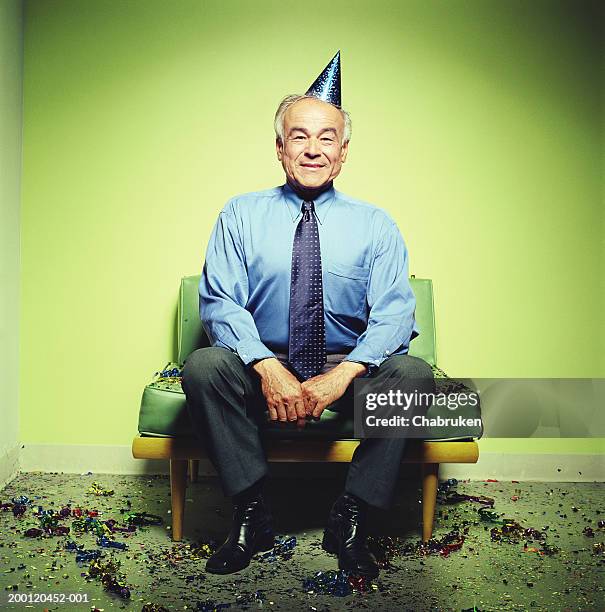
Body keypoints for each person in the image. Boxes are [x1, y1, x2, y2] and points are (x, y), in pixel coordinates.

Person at [181, 51, 435, 577]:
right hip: (260, 365)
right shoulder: (239, 214)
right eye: (300, 136)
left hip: (347, 366)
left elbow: (394, 315)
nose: (313, 149)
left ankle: (353, 516)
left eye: (327, 139)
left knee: (413, 375)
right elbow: (220, 302)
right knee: (203, 367)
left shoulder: (377, 225)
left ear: (343, 154)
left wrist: (341, 376)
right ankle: (253, 513)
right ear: (280, 148)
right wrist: (266, 367)